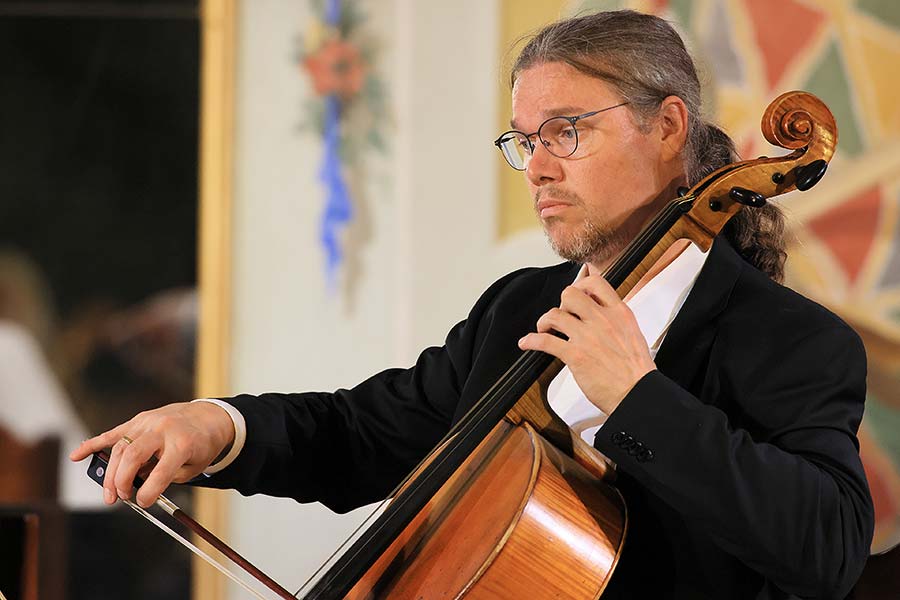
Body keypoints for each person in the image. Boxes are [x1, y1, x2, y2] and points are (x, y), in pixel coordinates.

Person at [70, 10, 874, 599]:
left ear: (667, 126)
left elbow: (828, 550)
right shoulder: (519, 307)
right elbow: (363, 432)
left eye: (566, 131)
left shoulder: (792, 340)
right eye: (526, 140)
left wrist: (640, 399)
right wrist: (216, 427)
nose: (537, 168)